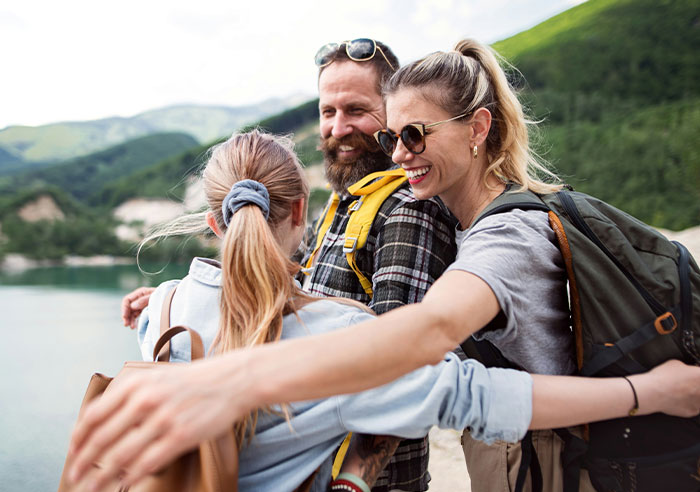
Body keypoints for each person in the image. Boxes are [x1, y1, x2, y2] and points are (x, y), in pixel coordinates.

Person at [81, 40, 700, 491]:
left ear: (478, 128)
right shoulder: (389, 210)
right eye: (393, 138)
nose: (399, 155)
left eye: (413, 135)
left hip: (540, 456)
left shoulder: (478, 230)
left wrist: (241, 374)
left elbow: (416, 345)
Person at [123, 129, 557, 491]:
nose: (337, 126)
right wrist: (627, 394)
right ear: (299, 211)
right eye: (327, 111)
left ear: (214, 224)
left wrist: (162, 298)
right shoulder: (340, 330)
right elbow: (447, 386)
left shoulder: (161, 310)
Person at [122, 38, 458, 492]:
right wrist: (171, 300)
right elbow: (270, 275)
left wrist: (351, 485)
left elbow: (404, 365)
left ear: (392, 114)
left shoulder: (408, 211)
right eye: (327, 112)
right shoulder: (341, 204)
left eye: (356, 109)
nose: (338, 127)